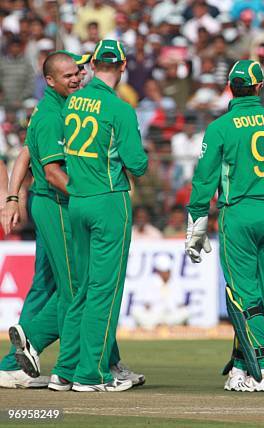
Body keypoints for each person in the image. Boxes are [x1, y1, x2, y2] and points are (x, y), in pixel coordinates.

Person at [1, 51, 145, 391]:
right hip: (58, 204)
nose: (76, 78)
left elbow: (24, 153)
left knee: (55, 285)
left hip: (61, 205)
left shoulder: (70, 104)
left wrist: (11, 198)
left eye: (78, 71)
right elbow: (51, 172)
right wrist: (88, 192)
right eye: (68, 76)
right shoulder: (52, 113)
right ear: (49, 81)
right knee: (80, 288)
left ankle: (100, 360)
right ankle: (34, 346)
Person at [185, 60, 264, 392]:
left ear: (230, 87)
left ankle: (262, 367)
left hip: (239, 213)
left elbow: (203, 180)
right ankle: (240, 367)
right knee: (259, 295)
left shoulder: (220, 127)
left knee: (241, 294)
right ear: (260, 87)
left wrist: (196, 222)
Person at [52, 39, 148, 392]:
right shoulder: (120, 109)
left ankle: (65, 368)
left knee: (82, 290)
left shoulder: (73, 100)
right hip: (108, 200)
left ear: (91, 64)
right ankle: (91, 374)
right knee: (104, 291)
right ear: (122, 67)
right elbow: (138, 163)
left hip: (77, 199)